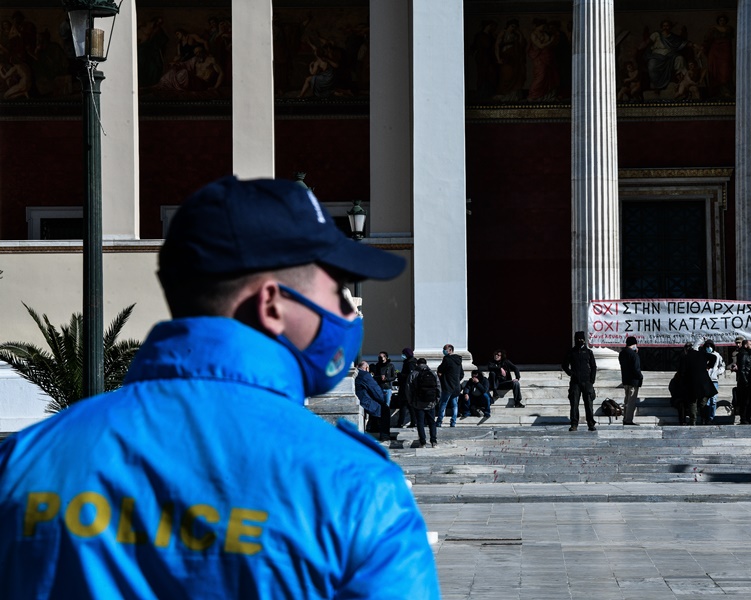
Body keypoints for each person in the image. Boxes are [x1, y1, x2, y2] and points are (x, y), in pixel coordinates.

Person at [0, 176, 440, 598]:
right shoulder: (358, 491)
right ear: (271, 304)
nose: (350, 312)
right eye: (339, 292)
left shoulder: (23, 462)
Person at [562, 331, 597, 431]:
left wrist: (592, 379)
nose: (580, 341)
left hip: (587, 381)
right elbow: (564, 365)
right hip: (575, 381)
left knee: (589, 403)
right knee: (574, 404)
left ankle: (591, 423)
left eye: (581, 339)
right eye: (578, 340)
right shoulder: (571, 352)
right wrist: (571, 373)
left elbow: (593, 366)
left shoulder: (589, 352)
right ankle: (574, 424)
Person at [679, 341, 719, 426]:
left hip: (692, 383)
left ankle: (693, 421)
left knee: (692, 402)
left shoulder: (685, 357)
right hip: (704, 382)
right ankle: (704, 419)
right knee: (703, 403)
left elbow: (682, 372)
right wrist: (709, 366)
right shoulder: (701, 354)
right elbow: (713, 357)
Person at [408, 357, 441, 448]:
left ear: (417, 364)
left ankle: (422, 442)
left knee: (420, 423)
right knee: (432, 422)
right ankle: (433, 441)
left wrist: (411, 401)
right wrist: (436, 400)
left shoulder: (413, 374)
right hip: (431, 402)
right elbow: (438, 387)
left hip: (418, 402)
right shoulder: (433, 373)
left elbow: (409, 389)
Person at [355, 360, 388, 440]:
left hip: (359, 398)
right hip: (363, 400)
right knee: (384, 409)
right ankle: (384, 435)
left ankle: (373, 428)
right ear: (366, 368)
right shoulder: (365, 374)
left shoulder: (356, 374)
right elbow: (375, 390)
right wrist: (382, 399)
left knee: (376, 407)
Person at [370, 350, 397, 437]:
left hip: (387, 387)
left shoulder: (391, 366)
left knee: (386, 407)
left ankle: (385, 425)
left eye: (382, 357)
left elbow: (394, 376)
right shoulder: (377, 366)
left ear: (386, 357)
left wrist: (386, 379)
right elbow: (374, 376)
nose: (380, 359)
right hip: (379, 388)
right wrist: (379, 377)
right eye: (379, 357)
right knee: (379, 406)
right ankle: (379, 424)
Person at [436, 343, 463, 427]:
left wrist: (442, 376)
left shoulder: (447, 359)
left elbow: (440, 369)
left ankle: (439, 421)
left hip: (447, 385)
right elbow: (461, 374)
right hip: (456, 386)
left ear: (450, 350)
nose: (443, 351)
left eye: (445, 349)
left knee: (443, 403)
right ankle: (453, 422)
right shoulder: (458, 361)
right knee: (455, 405)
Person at [618, 336, 642, 426]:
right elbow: (636, 368)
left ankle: (625, 418)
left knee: (626, 400)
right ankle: (628, 419)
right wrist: (640, 377)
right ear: (634, 344)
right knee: (631, 401)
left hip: (625, 380)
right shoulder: (633, 355)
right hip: (633, 381)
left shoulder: (622, 353)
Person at [733, 339, 751, 425]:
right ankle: (743, 418)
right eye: (750, 344)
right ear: (745, 345)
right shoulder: (743, 354)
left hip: (749, 381)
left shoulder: (750, 354)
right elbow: (742, 370)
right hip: (744, 383)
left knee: (748, 401)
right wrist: (746, 382)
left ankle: (748, 418)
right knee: (744, 401)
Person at [704, 340, 725, 425]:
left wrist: (717, 372)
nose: (709, 348)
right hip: (705, 380)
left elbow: (722, 366)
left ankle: (711, 417)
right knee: (707, 401)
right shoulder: (703, 355)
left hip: (714, 380)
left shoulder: (717, 355)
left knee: (713, 400)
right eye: (707, 347)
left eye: (710, 346)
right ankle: (706, 417)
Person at [397, 346, 418, 429]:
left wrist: (400, 375)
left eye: (403, 353)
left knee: (404, 405)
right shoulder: (409, 362)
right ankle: (413, 422)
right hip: (408, 387)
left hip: (406, 387)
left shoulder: (410, 363)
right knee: (410, 406)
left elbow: (409, 375)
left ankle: (401, 423)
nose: (402, 355)